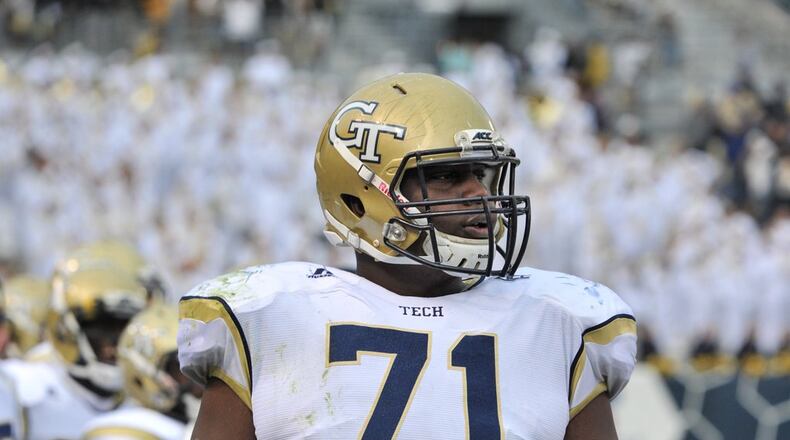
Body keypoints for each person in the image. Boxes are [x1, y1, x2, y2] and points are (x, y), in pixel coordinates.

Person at [178, 72, 637, 439]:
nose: (478, 193)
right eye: (447, 176)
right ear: (360, 199)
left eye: (481, 173)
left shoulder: (557, 319)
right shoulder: (268, 317)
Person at [0, 265, 148, 439]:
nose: (114, 345)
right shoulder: (20, 387)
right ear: (65, 331)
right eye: (103, 329)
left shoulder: (145, 403)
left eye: (123, 329)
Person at [80, 303, 202, 440]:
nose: (200, 380)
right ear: (142, 377)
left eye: (204, 366)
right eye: (184, 367)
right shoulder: (125, 431)